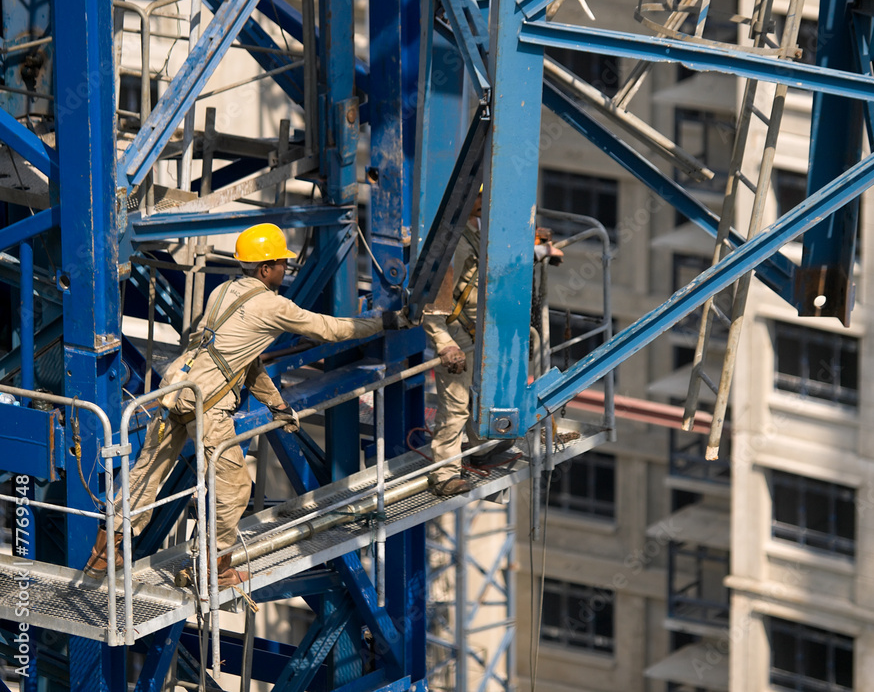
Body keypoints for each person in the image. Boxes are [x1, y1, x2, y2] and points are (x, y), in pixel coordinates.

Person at [84, 223, 411, 586]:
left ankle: (102, 553)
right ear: (264, 268)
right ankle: (212, 569)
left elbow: (243, 361)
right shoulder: (271, 305)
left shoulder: (224, 292)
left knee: (147, 472)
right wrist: (383, 322)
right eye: (280, 264)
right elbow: (329, 330)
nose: (285, 269)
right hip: (206, 403)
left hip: (175, 387)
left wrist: (276, 405)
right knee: (235, 487)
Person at [423, 193, 563, 497]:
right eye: (479, 196)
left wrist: (538, 252)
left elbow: (498, 262)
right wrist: (445, 344)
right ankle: (444, 475)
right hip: (457, 335)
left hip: (481, 333)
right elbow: (432, 307)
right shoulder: (455, 243)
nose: (485, 202)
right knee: (457, 406)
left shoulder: (475, 229)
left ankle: (481, 447)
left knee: (485, 395)